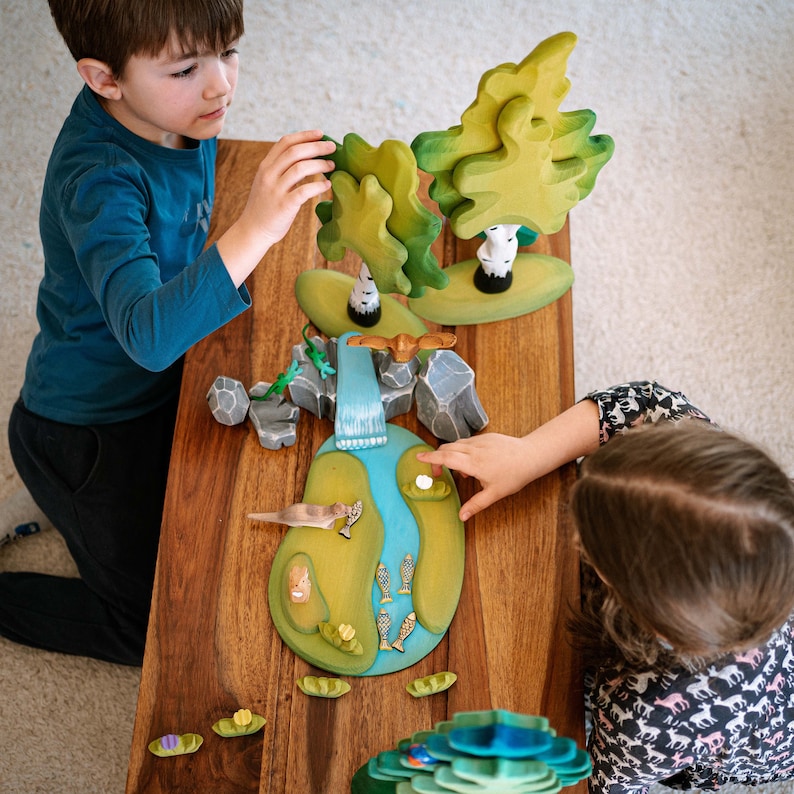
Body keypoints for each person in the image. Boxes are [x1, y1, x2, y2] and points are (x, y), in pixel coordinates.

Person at [2, 0, 336, 666]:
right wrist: (258, 228)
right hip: (86, 430)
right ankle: (47, 496)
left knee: (223, 525)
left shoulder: (177, 112)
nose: (221, 85)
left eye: (228, 51)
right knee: (156, 624)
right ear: (104, 80)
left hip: (160, 386)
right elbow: (148, 339)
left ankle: (56, 501)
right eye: (185, 68)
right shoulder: (97, 179)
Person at [418, 381, 794, 792]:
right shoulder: (731, 492)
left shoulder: (644, 716)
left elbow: (603, 783)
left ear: (638, 603)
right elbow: (646, 401)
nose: (576, 535)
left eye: (587, 538)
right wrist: (529, 454)